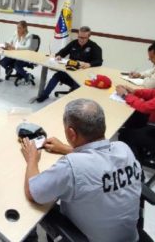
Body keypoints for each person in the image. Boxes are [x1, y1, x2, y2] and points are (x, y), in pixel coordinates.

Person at [21, 99, 141, 242]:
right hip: (131, 238)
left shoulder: (71, 167)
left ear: (71, 133)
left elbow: (32, 192)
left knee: (32, 211)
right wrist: (68, 149)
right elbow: (97, 161)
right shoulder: (123, 148)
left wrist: (32, 159)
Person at [36, 26, 103, 102]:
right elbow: (63, 51)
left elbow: (99, 61)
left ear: (89, 36)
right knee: (57, 75)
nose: (81, 40)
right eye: (79, 37)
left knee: (77, 85)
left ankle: (74, 102)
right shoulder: (74, 43)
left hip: (83, 75)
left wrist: (89, 64)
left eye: (84, 38)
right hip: (70, 71)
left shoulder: (94, 47)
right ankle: (44, 95)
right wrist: (59, 55)